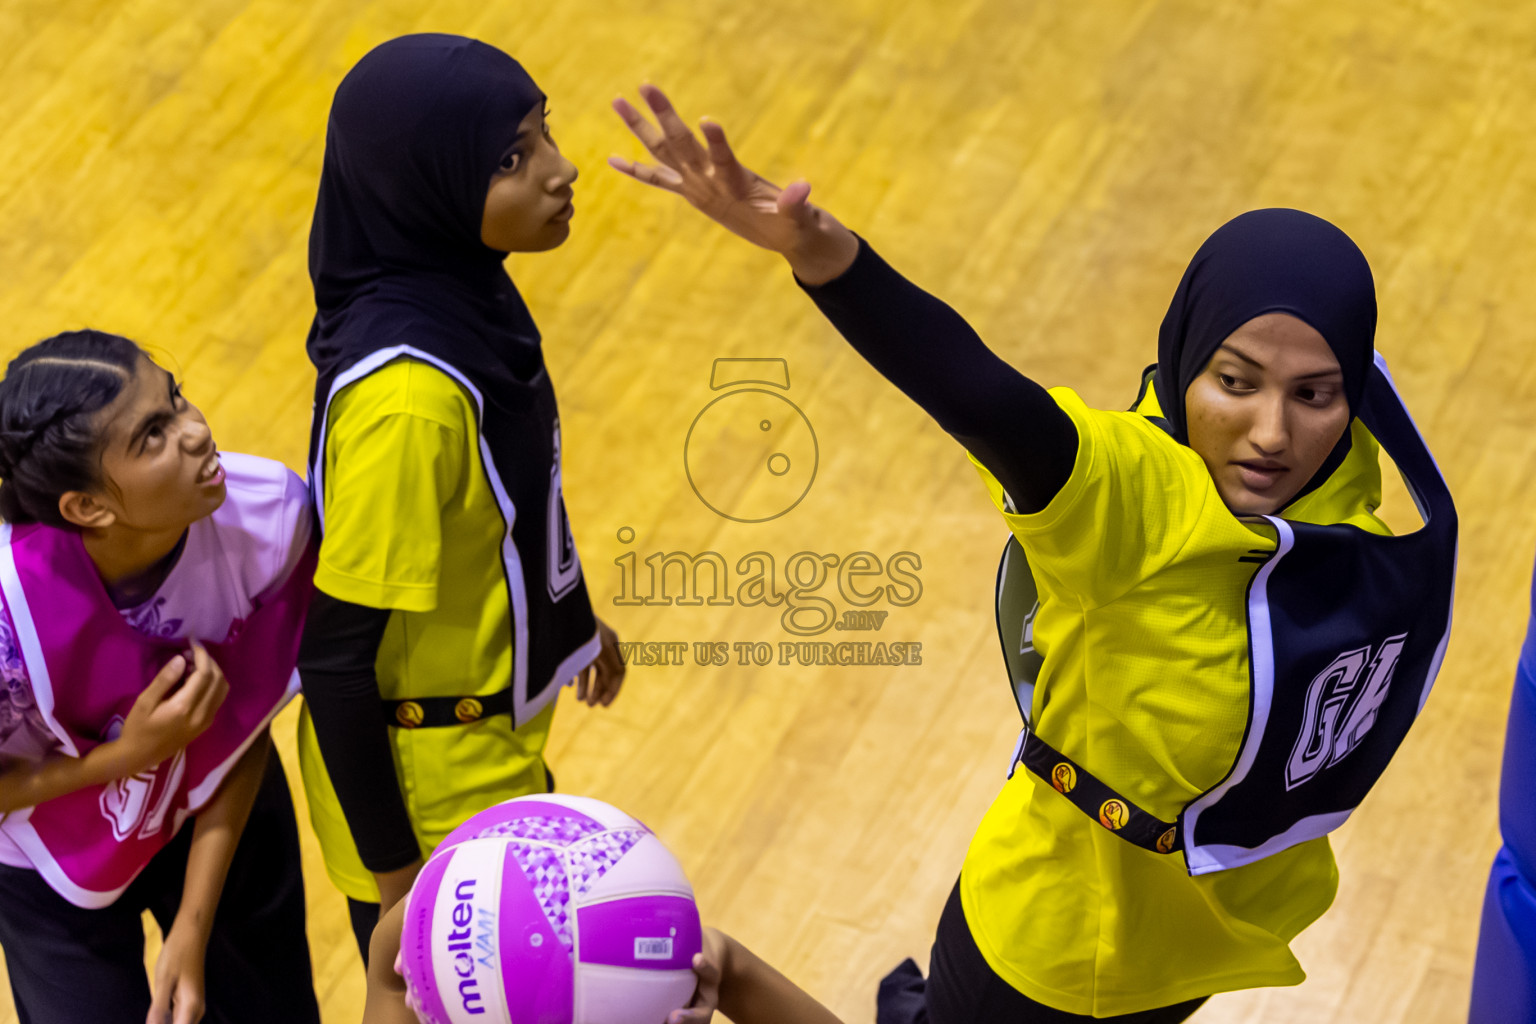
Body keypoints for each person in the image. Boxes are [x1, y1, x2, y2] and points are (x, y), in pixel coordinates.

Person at [607, 86, 1456, 1022]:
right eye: (1235, 382)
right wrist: (823, 256)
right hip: (1058, 943)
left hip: (1211, 938)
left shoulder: (1344, 497)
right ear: (1184, 367)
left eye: (1315, 394)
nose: (1270, 433)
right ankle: (731, 970)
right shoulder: (1123, 498)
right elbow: (978, 392)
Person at [295, 33, 628, 963]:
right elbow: (333, 661)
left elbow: (512, 496)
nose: (561, 172)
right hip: (427, 803)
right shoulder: (409, 404)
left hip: (491, 753)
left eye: (541, 132)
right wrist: (402, 879)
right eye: (513, 161)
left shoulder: (465, 295)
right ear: (426, 186)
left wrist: (570, 617)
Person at [0, 329, 320, 1024]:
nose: (198, 432)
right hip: (47, 853)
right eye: (153, 435)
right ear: (87, 508)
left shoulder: (271, 519)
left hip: (219, 808)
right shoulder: (6, 613)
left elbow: (243, 729)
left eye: (176, 400)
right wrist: (125, 759)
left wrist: (194, 927)